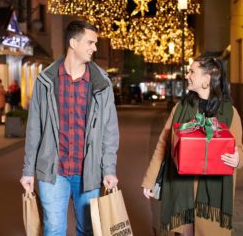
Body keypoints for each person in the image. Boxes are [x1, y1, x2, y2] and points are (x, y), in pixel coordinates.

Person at [20, 20, 119, 235]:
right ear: (73, 43)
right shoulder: (46, 80)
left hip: (89, 171)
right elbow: (34, 128)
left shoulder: (101, 83)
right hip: (53, 170)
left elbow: (109, 131)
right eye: (90, 43)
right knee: (54, 228)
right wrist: (28, 170)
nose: (94, 48)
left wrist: (109, 169)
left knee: (88, 229)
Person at [142, 57, 243, 236]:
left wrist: (238, 159)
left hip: (213, 196)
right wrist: (150, 181)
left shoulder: (229, 112)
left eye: (192, 72)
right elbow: (163, 145)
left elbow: (239, 147)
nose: (187, 76)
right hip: (183, 190)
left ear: (207, 79)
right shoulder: (180, 109)